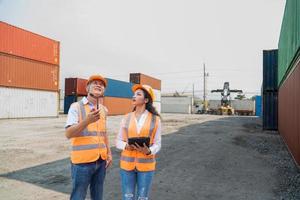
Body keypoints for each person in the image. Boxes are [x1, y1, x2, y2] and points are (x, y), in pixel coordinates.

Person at [65, 75, 112, 200]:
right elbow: (68, 133)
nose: (98, 85)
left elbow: (104, 133)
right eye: (95, 83)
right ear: (87, 88)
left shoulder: (104, 110)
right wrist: (87, 121)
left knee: (98, 196)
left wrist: (109, 153)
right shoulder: (76, 107)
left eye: (101, 84)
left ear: (104, 91)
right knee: (78, 196)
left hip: (101, 161)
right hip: (82, 163)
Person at [115, 84, 162, 200]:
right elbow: (118, 141)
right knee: (128, 197)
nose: (134, 96)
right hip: (127, 166)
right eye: (134, 94)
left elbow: (158, 143)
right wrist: (126, 146)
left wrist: (149, 150)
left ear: (146, 100)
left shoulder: (155, 120)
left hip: (146, 166)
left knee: (142, 198)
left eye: (138, 94)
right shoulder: (126, 118)